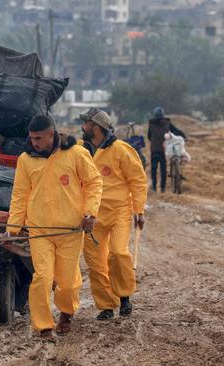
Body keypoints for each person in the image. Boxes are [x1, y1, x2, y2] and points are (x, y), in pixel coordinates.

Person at [7, 115, 102, 339]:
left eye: (39, 138)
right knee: (42, 277)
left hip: (70, 230)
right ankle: (43, 326)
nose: (34, 143)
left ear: (52, 134)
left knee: (67, 283)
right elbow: (20, 194)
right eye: (31, 138)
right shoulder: (25, 159)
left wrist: (90, 212)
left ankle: (66, 313)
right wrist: (14, 226)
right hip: (39, 230)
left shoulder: (77, 153)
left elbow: (94, 182)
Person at [79, 108, 147, 320]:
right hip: (92, 215)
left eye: (86, 124)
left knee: (118, 253)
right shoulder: (81, 150)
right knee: (95, 262)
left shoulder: (121, 149)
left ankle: (125, 296)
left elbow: (137, 180)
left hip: (119, 211)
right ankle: (106, 305)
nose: (83, 127)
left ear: (96, 128)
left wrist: (139, 209)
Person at [147, 107, 186, 193]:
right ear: (162, 115)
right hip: (164, 149)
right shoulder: (167, 123)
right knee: (163, 168)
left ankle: (154, 186)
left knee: (154, 168)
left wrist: (154, 141)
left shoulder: (151, 124)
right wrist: (183, 136)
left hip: (154, 150)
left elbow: (149, 136)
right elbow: (176, 131)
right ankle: (163, 188)